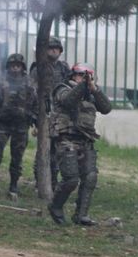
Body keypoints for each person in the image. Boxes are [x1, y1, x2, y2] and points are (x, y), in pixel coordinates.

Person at [47, 63, 112, 226]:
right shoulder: (62, 89)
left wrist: (94, 89)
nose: (83, 79)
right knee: (71, 179)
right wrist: (83, 85)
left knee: (90, 177)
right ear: (72, 76)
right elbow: (68, 101)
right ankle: (55, 206)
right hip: (66, 139)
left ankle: (81, 215)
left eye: (87, 76)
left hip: (85, 140)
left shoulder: (90, 94)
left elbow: (106, 108)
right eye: (81, 75)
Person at [0, 53, 37, 194]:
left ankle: (13, 185)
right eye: (12, 65)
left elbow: (35, 104)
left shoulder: (29, 83)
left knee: (17, 157)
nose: (15, 68)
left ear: (22, 67)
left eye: (18, 66)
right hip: (3, 124)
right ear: (8, 66)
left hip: (21, 125)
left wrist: (36, 124)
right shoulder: (1, 82)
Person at [29, 37, 70, 189]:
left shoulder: (64, 68)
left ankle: (53, 181)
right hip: (43, 113)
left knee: (57, 150)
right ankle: (40, 180)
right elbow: (32, 91)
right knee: (44, 148)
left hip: (60, 114)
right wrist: (35, 117)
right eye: (51, 48)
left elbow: (70, 88)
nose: (54, 50)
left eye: (57, 48)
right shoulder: (38, 67)